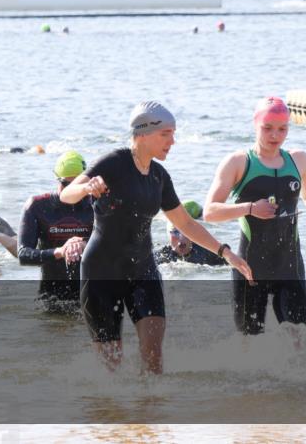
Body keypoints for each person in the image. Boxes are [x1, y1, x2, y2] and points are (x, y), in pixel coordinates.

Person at [60, 101, 253, 373]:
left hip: (142, 271)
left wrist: (225, 252)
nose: (172, 141)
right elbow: (65, 194)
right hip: (101, 273)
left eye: (173, 134)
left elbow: (185, 222)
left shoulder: (159, 177)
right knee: (110, 368)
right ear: (142, 134)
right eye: (166, 134)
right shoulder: (114, 163)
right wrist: (85, 189)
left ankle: (150, 411)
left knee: (153, 359)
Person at [204, 96, 306, 336]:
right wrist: (250, 208)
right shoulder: (238, 162)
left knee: (300, 340)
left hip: (289, 266)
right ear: (255, 124)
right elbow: (210, 212)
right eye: (268, 128)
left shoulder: (298, 159)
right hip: (250, 267)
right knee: (250, 347)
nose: (275, 135)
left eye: (282, 129)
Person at [18, 151, 95, 310]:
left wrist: (84, 244)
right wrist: (60, 251)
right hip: (51, 299)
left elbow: (115, 247)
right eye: (67, 185)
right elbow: (24, 255)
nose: (72, 191)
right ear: (57, 179)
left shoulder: (96, 205)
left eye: (78, 185)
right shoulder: (38, 206)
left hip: (92, 296)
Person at [153, 201, 227, 266]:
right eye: (175, 232)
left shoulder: (208, 253)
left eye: (185, 232)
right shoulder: (160, 257)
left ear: (192, 234)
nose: (181, 237)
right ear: (168, 235)